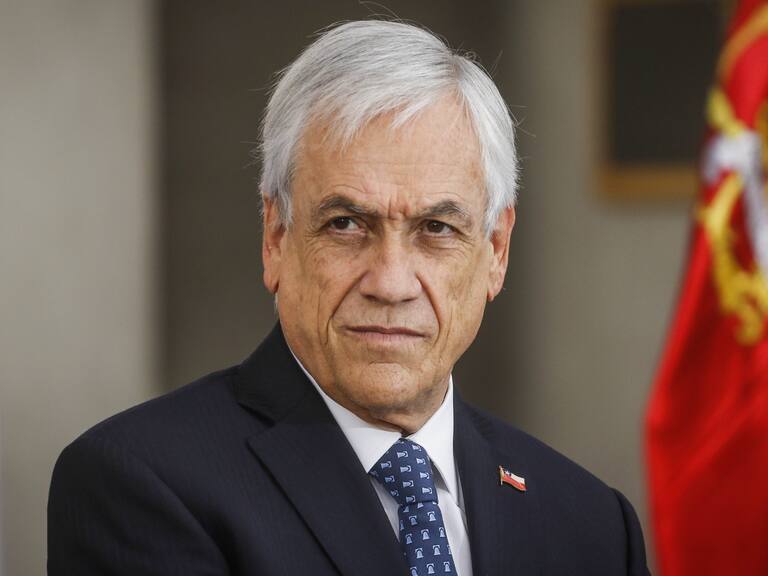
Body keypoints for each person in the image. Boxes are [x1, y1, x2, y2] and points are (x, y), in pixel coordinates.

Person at [47, 20, 649, 576]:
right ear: (276, 237)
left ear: (496, 251)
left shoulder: (592, 522)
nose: (390, 282)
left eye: (437, 229)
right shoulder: (139, 484)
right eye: (345, 224)